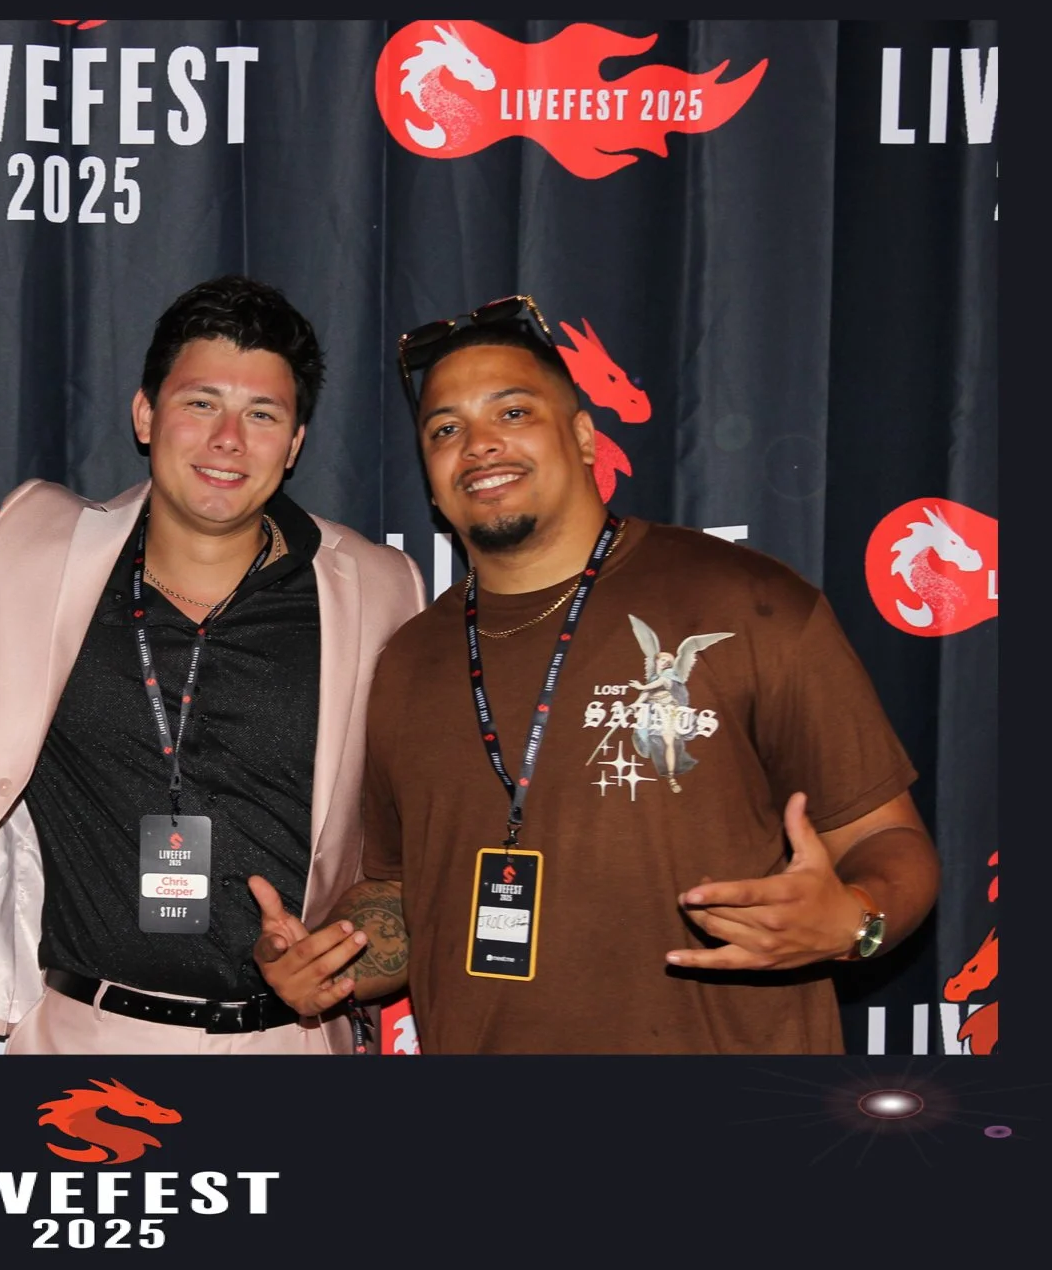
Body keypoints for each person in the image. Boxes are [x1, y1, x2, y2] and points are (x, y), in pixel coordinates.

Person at [251, 295, 941, 1054]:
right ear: (431, 474)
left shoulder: (747, 601)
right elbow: (409, 896)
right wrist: (330, 960)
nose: (478, 444)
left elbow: (887, 838)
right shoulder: (409, 660)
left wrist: (853, 920)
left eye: (513, 412)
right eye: (445, 429)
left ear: (583, 436)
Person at [0, 275, 427, 1054]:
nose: (227, 439)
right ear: (144, 414)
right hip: (80, 1036)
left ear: (295, 443)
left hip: (287, 1038)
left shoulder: (379, 589)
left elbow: (409, 849)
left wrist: (338, 960)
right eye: (200, 403)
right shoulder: (34, 550)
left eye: (261, 414)